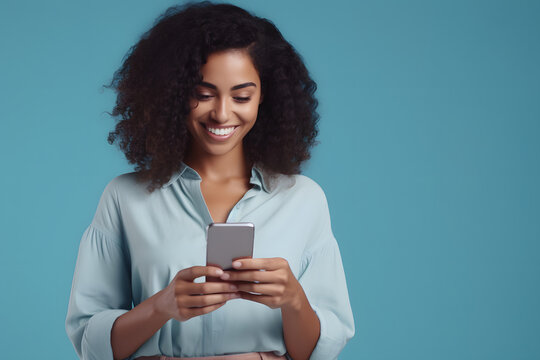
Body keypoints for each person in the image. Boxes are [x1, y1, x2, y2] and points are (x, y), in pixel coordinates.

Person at [64, 2, 355, 360]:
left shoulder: (304, 200)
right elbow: (90, 344)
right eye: (203, 94)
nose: (221, 112)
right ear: (173, 93)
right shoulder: (125, 198)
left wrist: (293, 299)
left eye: (241, 96)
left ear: (266, 96)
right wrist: (161, 306)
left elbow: (317, 353)